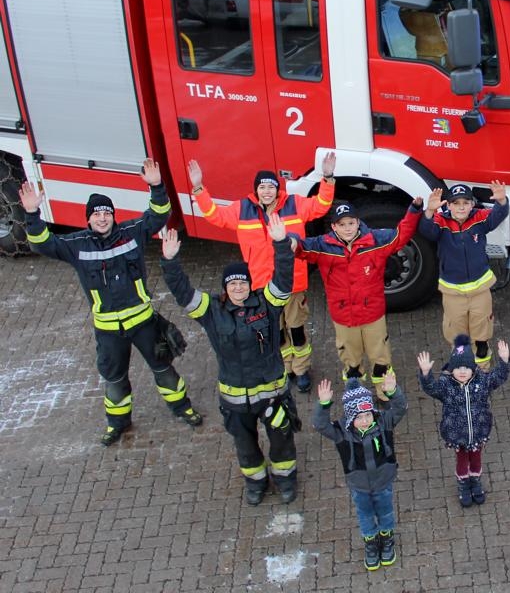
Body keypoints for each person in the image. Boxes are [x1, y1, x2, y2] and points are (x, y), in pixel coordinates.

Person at [19, 163, 202, 447]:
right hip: (108, 331)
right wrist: (32, 214)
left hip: (143, 323)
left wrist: (156, 186)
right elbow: (42, 242)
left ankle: (183, 409)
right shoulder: (76, 245)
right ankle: (118, 424)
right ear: (88, 219)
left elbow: (160, 214)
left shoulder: (132, 232)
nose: (103, 218)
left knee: (163, 369)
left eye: (107, 213)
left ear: (113, 216)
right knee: (115, 381)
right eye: (97, 214)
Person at [160, 217, 299, 506]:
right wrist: (170, 261)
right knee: (245, 444)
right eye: (232, 283)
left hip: (273, 394)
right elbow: (183, 293)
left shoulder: (267, 303)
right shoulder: (212, 310)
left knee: (282, 439)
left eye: (242, 282)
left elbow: (284, 279)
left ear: (250, 284)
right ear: (225, 288)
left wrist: (281, 244)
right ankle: (256, 482)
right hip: (235, 398)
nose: (238, 287)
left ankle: (285, 479)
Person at [188, 154, 336, 393]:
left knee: (297, 330)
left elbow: (320, 206)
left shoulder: (295, 204)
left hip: (292, 283)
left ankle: (302, 369)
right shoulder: (241, 209)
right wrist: (198, 187)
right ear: (256, 190)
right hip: (262, 286)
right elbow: (214, 214)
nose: (267, 191)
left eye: (271, 187)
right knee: (275, 332)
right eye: (262, 187)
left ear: (278, 190)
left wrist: (327, 178)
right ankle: (285, 368)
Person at [296, 197, 423, 387]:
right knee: (351, 362)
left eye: (351, 223)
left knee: (381, 358)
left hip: (373, 315)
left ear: (358, 223)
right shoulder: (323, 246)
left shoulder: (375, 242)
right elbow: (299, 248)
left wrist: (414, 210)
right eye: (342, 224)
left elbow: (401, 235)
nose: (347, 228)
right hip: (344, 319)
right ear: (334, 227)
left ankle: (385, 392)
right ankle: (356, 396)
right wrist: (284, 240)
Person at [313, 373, 407, 571]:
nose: (365, 421)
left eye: (367, 415)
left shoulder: (383, 423)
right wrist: (323, 406)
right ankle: (371, 544)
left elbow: (399, 408)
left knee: (385, 511)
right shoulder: (341, 433)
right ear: (350, 417)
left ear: (373, 412)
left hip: (383, 481)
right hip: (359, 485)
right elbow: (320, 425)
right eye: (359, 417)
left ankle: (387, 538)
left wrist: (392, 392)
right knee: (365, 514)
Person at [419, 181, 509, 366]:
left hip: (480, 291)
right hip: (453, 293)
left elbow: (497, 216)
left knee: (481, 338)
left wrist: (501, 201)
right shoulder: (440, 222)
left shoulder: (479, 218)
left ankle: (482, 372)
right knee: (458, 339)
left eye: (465, 203)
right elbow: (426, 230)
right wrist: (429, 211)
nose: (461, 207)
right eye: (456, 203)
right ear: (449, 205)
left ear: (472, 204)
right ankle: (461, 371)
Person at [417, 336, 510, 506]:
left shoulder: (482, 381)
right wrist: (426, 374)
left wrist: (504, 361)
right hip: (456, 435)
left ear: (473, 368)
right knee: (461, 461)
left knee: (476, 459)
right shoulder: (446, 385)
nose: (462, 371)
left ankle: (475, 482)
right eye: (458, 367)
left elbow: (498, 377)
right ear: (451, 369)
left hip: (478, 431)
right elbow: (431, 388)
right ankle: (463, 485)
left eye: (466, 367)